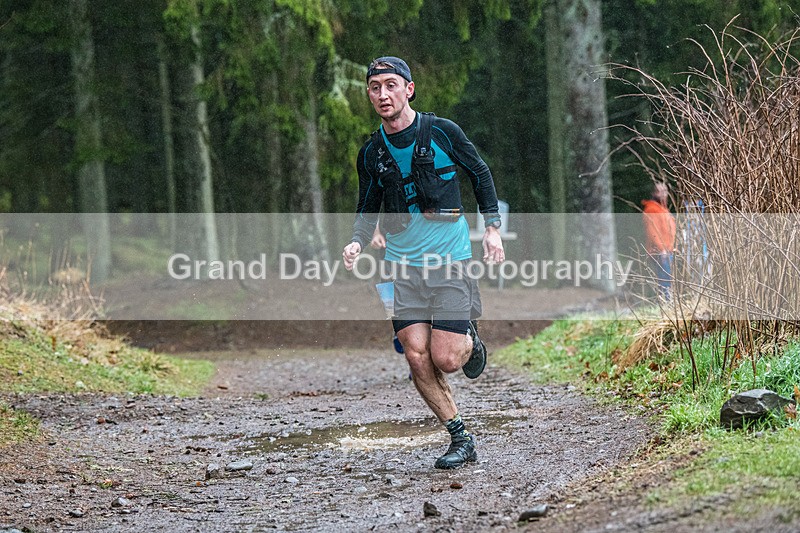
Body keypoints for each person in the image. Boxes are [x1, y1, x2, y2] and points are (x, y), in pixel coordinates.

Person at [342, 56, 504, 470]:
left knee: (447, 358)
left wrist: (491, 228)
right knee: (416, 356)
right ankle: (460, 437)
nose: (383, 94)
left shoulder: (442, 132)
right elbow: (367, 205)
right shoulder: (371, 153)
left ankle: (469, 335)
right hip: (399, 267)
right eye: (375, 87)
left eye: (391, 85)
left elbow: (480, 174)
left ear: (409, 89)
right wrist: (357, 243)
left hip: (450, 260)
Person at [641, 182, 676, 297]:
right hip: (660, 252)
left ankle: (665, 302)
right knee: (664, 280)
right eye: (659, 191)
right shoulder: (651, 209)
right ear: (653, 193)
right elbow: (653, 232)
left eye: (665, 191)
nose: (663, 194)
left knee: (667, 279)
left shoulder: (662, 209)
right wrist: (662, 250)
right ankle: (665, 303)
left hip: (667, 250)